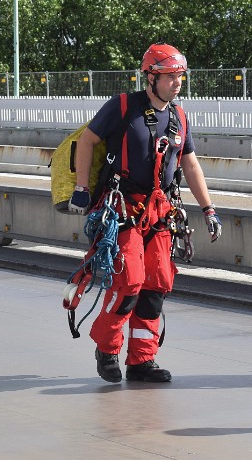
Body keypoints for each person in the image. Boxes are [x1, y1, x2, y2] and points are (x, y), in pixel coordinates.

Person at [68, 43, 222, 383]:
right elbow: (88, 141)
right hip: (122, 207)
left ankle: (141, 360)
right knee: (130, 282)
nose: (176, 82)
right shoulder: (123, 107)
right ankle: (107, 350)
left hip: (160, 213)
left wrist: (208, 208)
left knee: (156, 285)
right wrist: (81, 187)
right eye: (169, 76)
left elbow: (189, 163)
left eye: (179, 76)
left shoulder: (179, 117)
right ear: (149, 77)